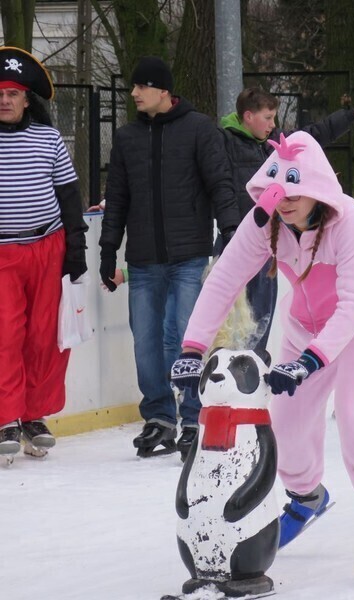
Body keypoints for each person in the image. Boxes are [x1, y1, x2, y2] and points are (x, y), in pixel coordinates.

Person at [171, 131, 354, 583]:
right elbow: (224, 280)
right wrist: (192, 348)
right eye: (274, 191)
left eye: (293, 193)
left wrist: (309, 361)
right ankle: (307, 497)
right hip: (307, 323)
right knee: (285, 422)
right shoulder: (266, 222)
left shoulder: (350, 223)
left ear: (317, 188)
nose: (282, 201)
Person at [99, 56, 241, 459]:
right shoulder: (127, 138)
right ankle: (160, 417)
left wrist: (231, 232)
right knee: (145, 345)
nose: (134, 93)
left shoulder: (200, 130)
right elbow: (118, 200)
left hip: (189, 257)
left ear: (163, 90)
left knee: (186, 340)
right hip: (142, 260)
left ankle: (194, 416)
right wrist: (108, 249)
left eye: (141, 86)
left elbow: (220, 183)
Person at [219, 87, 354, 352]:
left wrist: (353, 114)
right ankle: (224, 372)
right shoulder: (225, 143)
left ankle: (255, 368)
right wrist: (231, 231)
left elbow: (317, 134)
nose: (273, 125)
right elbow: (219, 187)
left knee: (261, 315)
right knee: (228, 312)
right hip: (236, 238)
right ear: (248, 116)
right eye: (268, 117)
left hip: (270, 239)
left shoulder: (282, 145)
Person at [0, 46, 88, 463]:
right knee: (6, 336)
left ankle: (33, 418)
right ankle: (6, 417)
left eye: (13, 93)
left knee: (44, 338)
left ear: (26, 99)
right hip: (2, 253)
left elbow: (70, 199)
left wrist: (76, 252)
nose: (5, 99)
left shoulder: (49, 138)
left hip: (48, 247)